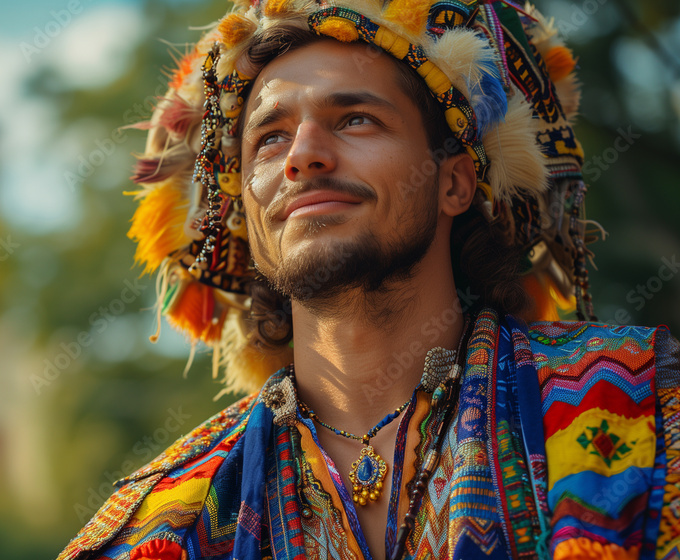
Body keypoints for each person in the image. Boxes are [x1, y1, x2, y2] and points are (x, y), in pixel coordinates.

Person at [59, 1, 680, 559]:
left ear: (454, 182)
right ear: (246, 209)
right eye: (269, 139)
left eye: (355, 119)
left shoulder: (641, 406)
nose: (303, 154)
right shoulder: (158, 531)